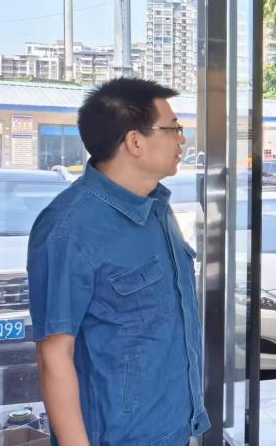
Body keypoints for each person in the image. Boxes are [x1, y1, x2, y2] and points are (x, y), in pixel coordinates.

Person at [28, 78, 208, 445]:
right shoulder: (68, 230)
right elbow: (54, 358)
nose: (182, 139)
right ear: (135, 141)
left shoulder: (156, 208)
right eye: (173, 128)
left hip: (175, 429)